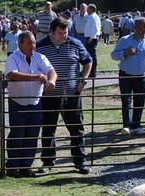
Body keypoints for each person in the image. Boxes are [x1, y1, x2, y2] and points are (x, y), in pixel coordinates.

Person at [36, 18, 92, 175]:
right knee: (48, 129)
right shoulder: (40, 46)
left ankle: (80, 161)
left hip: (72, 93)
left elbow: (88, 61)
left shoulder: (75, 43)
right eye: (60, 33)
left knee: (76, 128)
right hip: (49, 95)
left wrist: (83, 79)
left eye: (65, 32)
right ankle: (47, 162)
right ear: (51, 32)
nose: (63, 36)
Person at [6, 31, 57, 178]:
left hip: (35, 102)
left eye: (34, 42)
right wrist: (35, 77)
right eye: (29, 43)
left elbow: (51, 70)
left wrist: (52, 81)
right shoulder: (13, 57)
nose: (32, 45)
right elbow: (12, 75)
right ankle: (13, 166)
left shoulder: (40, 57)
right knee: (17, 135)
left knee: (32, 136)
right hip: (18, 102)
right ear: (20, 44)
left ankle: (25, 166)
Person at [111, 18, 145, 135]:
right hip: (125, 75)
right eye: (143, 27)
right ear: (135, 28)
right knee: (126, 101)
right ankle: (126, 126)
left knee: (140, 101)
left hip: (141, 76)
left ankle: (136, 125)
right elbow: (113, 55)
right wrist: (125, 53)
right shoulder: (124, 40)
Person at [84, 4, 101, 77]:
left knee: (91, 56)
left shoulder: (93, 17)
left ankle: (92, 72)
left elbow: (95, 29)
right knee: (91, 55)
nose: (87, 10)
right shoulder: (94, 16)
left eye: (88, 9)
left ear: (91, 9)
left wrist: (90, 38)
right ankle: (91, 71)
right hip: (92, 37)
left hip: (91, 38)